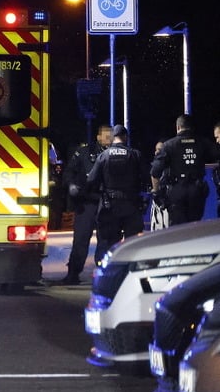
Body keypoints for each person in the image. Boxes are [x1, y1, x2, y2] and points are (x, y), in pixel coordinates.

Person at [58, 124, 111, 284]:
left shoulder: (116, 154)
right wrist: (71, 185)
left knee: (106, 240)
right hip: (86, 202)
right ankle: (73, 273)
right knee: (81, 239)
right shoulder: (84, 153)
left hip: (107, 202)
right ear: (99, 137)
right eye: (107, 136)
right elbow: (69, 172)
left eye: (112, 137)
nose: (109, 140)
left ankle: (105, 274)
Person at [86, 125, 147, 263]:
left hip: (110, 206)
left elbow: (91, 180)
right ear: (125, 137)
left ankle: (109, 271)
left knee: (110, 242)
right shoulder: (135, 154)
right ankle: (130, 269)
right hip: (131, 205)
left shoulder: (103, 156)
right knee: (133, 242)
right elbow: (146, 178)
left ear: (113, 138)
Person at [151, 114, 218, 225]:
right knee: (194, 227)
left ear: (178, 127)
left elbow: (155, 172)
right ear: (191, 127)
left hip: (177, 192)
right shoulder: (203, 143)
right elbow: (216, 154)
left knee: (178, 230)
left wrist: (157, 192)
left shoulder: (169, 145)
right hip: (197, 191)